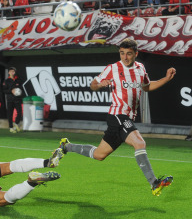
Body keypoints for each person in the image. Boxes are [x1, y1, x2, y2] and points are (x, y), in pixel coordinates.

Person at [54, 39, 176, 197]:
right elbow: (93, 84)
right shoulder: (112, 68)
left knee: (99, 155)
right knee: (140, 142)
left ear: (136, 54)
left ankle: (66, 146)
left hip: (126, 118)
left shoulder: (140, 68)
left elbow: (146, 87)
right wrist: (100, 84)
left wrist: (166, 79)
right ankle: (154, 183)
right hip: (118, 114)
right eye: (122, 53)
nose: (125, 57)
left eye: (129, 54)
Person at [3, 67, 23, 133]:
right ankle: (11, 128)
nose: (12, 72)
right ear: (9, 72)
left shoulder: (18, 80)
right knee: (10, 114)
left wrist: (19, 92)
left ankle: (16, 124)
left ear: (15, 72)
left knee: (20, 113)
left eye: (13, 71)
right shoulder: (6, 81)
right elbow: (4, 90)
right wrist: (11, 91)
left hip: (17, 99)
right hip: (10, 100)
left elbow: (21, 89)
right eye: (11, 71)